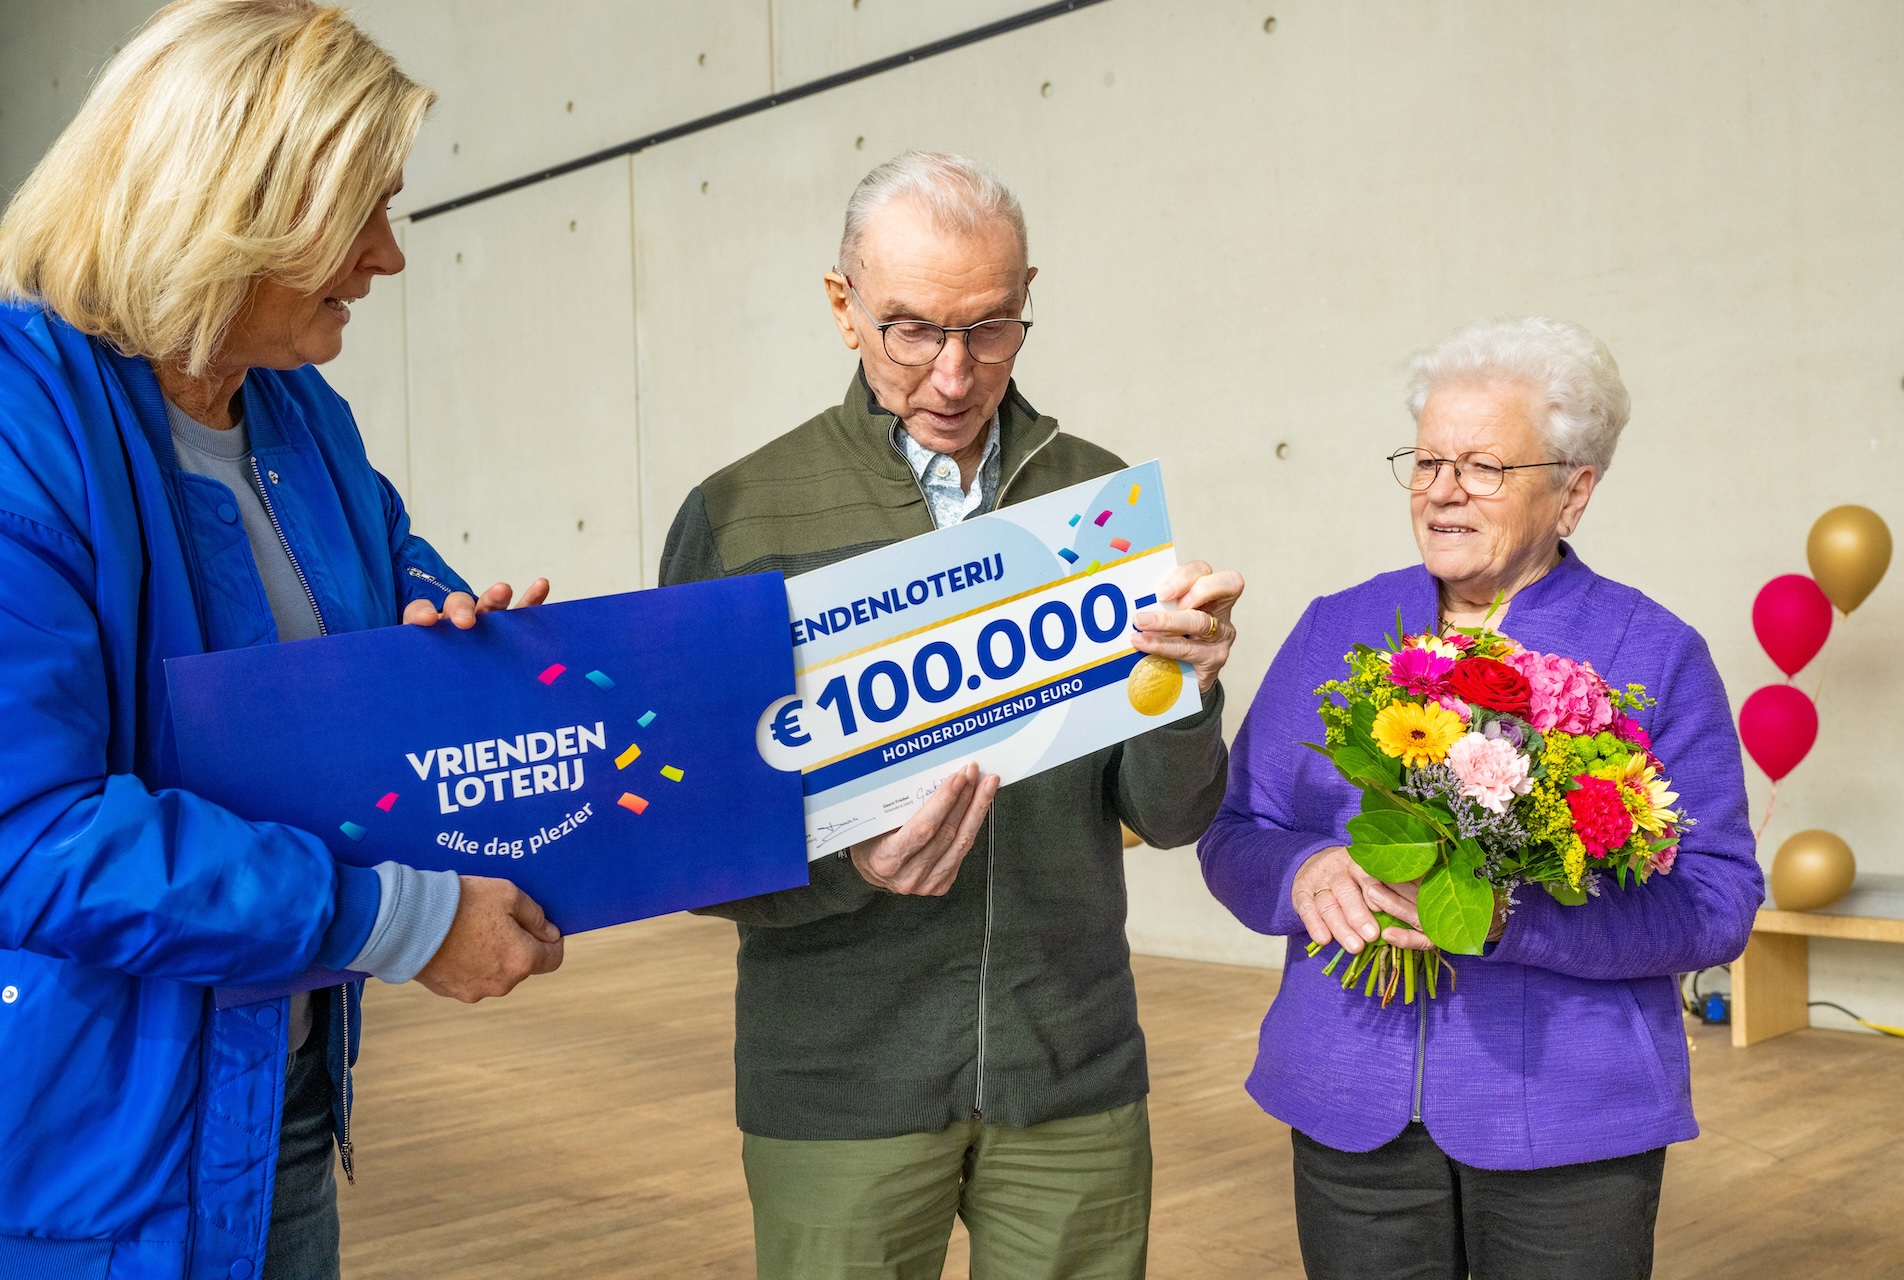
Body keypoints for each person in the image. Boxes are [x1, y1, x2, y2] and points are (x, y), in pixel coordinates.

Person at [0, 4, 564, 1277]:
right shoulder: (19, 431)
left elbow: (393, 567)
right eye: (361, 214)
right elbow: (29, 836)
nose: (389, 257)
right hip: (82, 1163)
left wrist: (447, 639)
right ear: (229, 208)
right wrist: (398, 917)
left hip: (277, 1106)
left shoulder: (304, 415)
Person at [660, 151, 1244, 1280]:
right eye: (911, 330)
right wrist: (853, 871)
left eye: (991, 327)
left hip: (1070, 1077)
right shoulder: (740, 517)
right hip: (841, 1088)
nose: (954, 372)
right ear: (843, 306)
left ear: (1028, 297)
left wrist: (1189, 693)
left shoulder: (1098, 500)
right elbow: (693, 843)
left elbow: (1170, 817)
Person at [1198, 316, 1762, 1280]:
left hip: (1569, 1122)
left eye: (1484, 467)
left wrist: (1511, 918)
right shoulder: (1338, 626)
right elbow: (1234, 829)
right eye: (1426, 461)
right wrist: (1305, 870)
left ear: (1573, 492)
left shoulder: (1654, 652)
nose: (1442, 489)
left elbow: (1717, 901)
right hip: (1348, 1101)